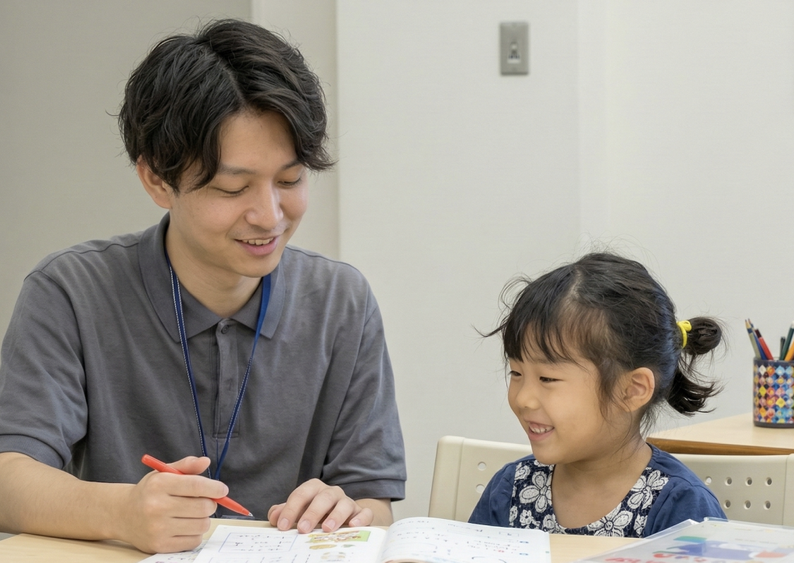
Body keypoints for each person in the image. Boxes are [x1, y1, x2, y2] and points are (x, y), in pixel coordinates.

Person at [0, 19, 405, 554]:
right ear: (156, 179)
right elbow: (9, 475)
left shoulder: (340, 301)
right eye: (233, 188)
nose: (269, 216)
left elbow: (373, 501)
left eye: (289, 180)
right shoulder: (72, 292)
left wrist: (348, 509)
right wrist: (123, 512)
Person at [469, 252, 725, 537]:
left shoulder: (680, 508)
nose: (523, 399)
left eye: (547, 378)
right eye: (516, 373)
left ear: (632, 390)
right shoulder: (510, 490)